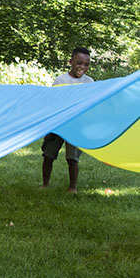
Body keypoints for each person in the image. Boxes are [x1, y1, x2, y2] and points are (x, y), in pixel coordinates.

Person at [41, 47, 94, 193]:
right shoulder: (61, 80)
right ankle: (45, 183)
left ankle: (72, 187)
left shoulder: (89, 82)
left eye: (86, 64)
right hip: (58, 124)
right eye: (79, 63)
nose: (82, 67)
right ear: (70, 62)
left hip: (76, 126)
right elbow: (52, 103)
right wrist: (49, 127)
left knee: (72, 158)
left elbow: (91, 105)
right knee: (48, 155)